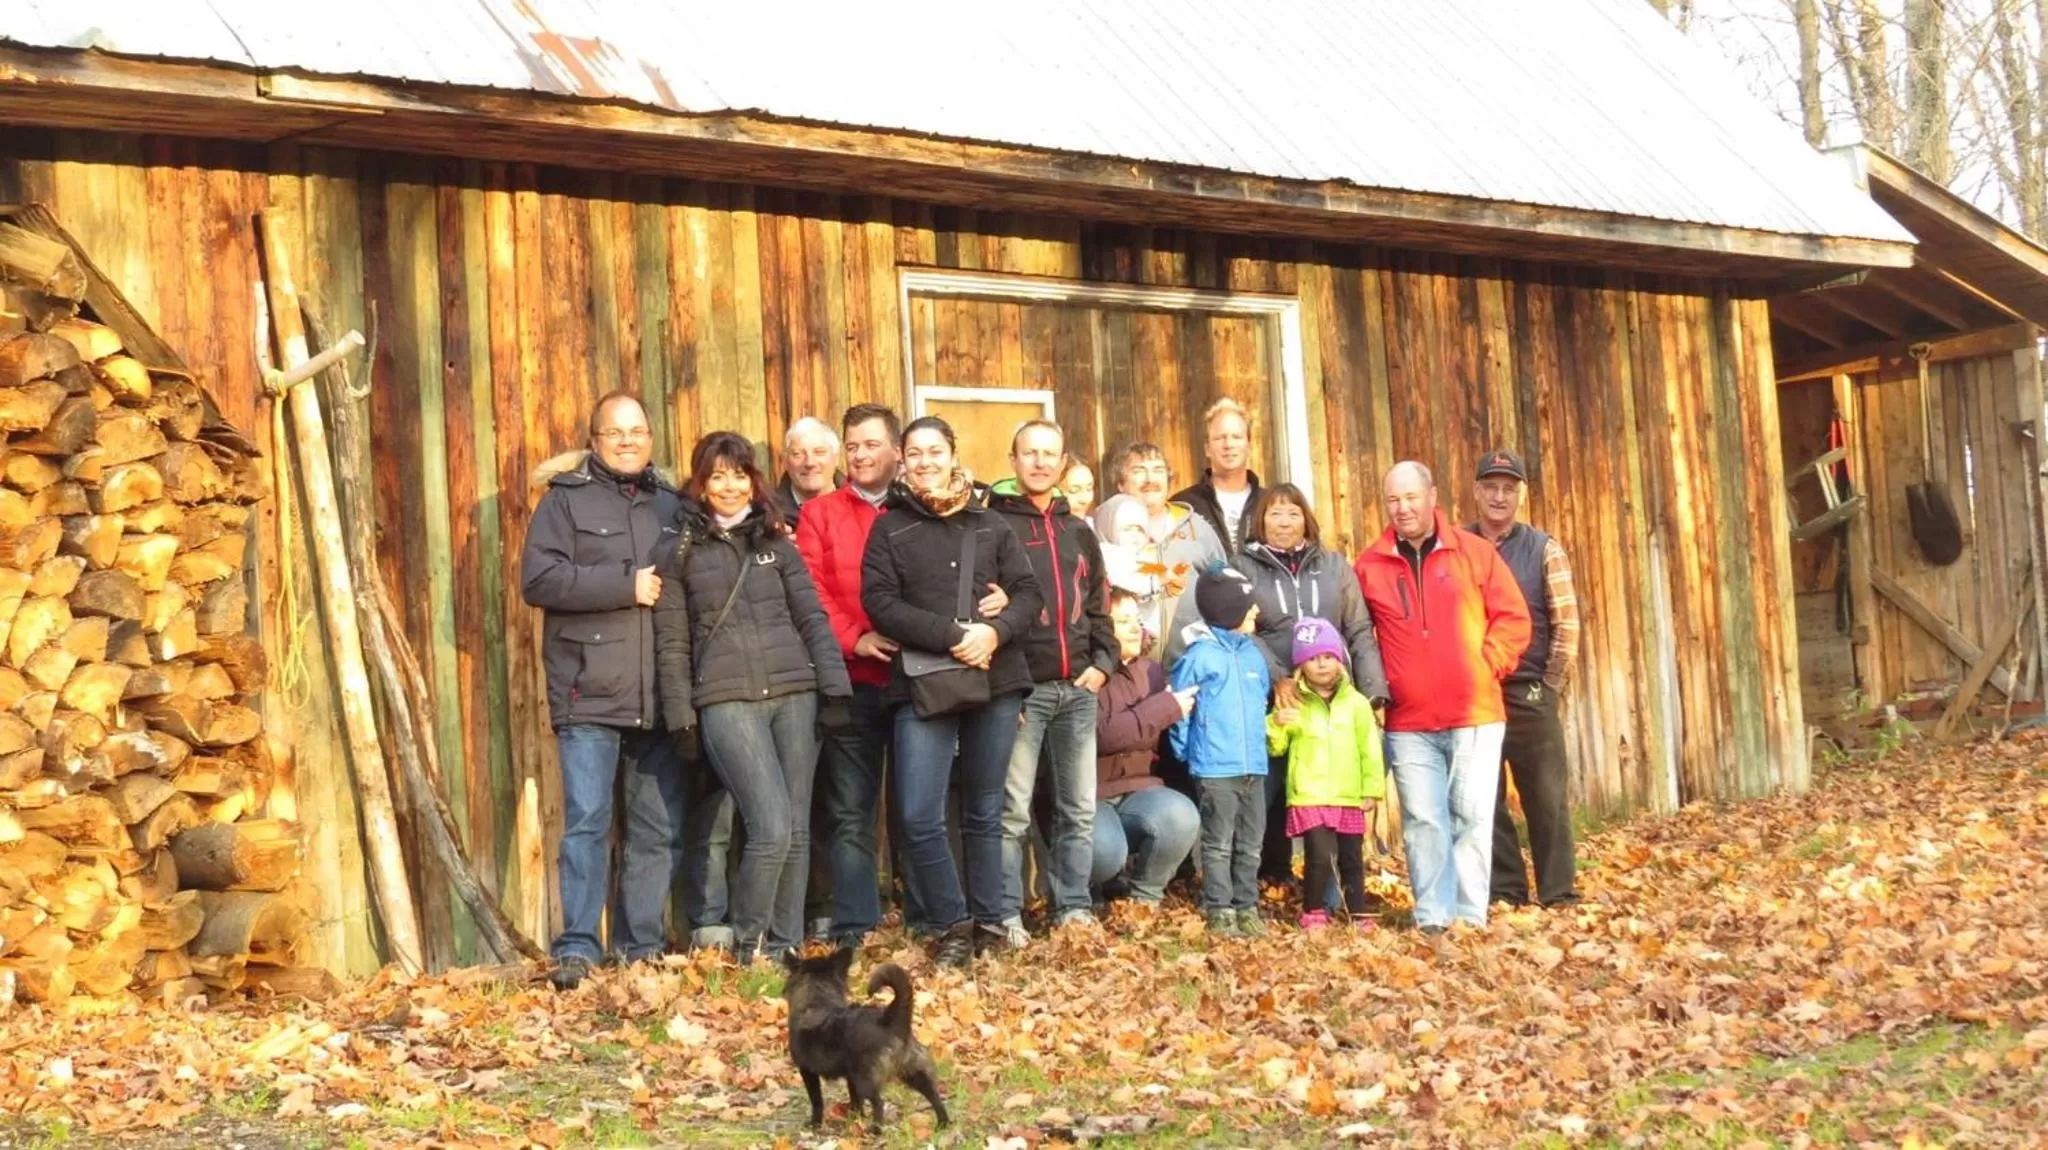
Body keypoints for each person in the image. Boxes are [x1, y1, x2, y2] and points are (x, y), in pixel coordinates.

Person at [653, 431, 852, 963]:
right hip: (726, 699)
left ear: (753, 480)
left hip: (795, 694)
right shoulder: (679, 551)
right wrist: (681, 720)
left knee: (797, 826)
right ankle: (750, 945)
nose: (730, 486)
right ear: (699, 483)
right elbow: (672, 642)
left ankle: (785, 948)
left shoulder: (776, 541)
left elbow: (811, 616)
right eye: (717, 475)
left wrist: (833, 687)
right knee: (769, 826)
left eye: (739, 474)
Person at [861, 416, 1042, 967]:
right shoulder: (889, 527)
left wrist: (995, 631)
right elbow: (880, 602)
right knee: (918, 813)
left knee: (985, 809)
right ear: (901, 460)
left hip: (996, 675)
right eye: (913, 453)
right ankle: (950, 923)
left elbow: (1029, 593)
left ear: (952, 453)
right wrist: (955, 636)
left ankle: (989, 922)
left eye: (934, 451)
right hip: (923, 681)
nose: (924, 462)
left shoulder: (990, 524)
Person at [520, 391, 684, 989]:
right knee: (587, 821)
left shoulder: (672, 502)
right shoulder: (563, 503)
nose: (626, 441)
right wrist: (625, 584)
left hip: (658, 696)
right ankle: (578, 948)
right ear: (594, 440)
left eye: (636, 431)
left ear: (650, 438)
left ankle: (639, 946)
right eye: (613, 432)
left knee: (654, 828)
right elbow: (538, 580)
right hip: (588, 690)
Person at [1355, 462, 1531, 932]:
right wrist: (1378, 689)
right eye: (1394, 499)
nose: (1403, 508)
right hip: (1409, 722)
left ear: (1433, 497)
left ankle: (1469, 918)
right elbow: (1359, 634)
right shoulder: (1370, 565)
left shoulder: (1474, 553)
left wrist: (1486, 665)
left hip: (1474, 713)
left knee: (1472, 818)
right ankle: (1433, 917)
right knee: (1423, 821)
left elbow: (1512, 618)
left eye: (1411, 497)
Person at [989, 421, 1117, 940]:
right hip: (1025, 691)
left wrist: (1104, 663)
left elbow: (1100, 605)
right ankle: (1005, 913)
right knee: (1011, 810)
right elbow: (991, 612)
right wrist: (1008, 683)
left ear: (1062, 463)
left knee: (1078, 808)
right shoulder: (994, 526)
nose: (1040, 462)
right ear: (1013, 460)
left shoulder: (1079, 530)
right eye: (1029, 453)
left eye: (1050, 454)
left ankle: (1072, 908)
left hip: (1079, 689)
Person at [1236, 483, 1388, 885]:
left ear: (1306, 518)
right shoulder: (1245, 566)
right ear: (1260, 520)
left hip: (1329, 695)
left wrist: (1372, 691)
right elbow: (1243, 630)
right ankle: (1268, 875)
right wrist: (1277, 677)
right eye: (1274, 513)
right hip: (1273, 693)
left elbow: (1358, 629)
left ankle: (1333, 884)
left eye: (1292, 513)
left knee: (1329, 784)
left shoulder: (1334, 566)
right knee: (1271, 785)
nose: (1284, 522)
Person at [1467, 449, 1581, 908]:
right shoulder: (1458, 546)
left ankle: (1558, 892)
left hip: (1529, 689)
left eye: (1508, 489)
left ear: (1520, 495)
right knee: (1484, 800)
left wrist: (1548, 684)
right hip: (1475, 693)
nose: (1499, 497)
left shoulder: (1543, 548)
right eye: (1490, 487)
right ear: (1476, 492)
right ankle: (1506, 890)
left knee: (1547, 796)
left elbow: (1566, 624)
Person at [1169, 565, 1271, 938]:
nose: (1257, 613)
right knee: (1218, 842)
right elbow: (1179, 709)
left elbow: (1262, 702)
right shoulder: (1199, 656)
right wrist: (1187, 753)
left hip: (1253, 767)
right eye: (1249, 607)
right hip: (1214, 767)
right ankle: (1219, 907)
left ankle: (1246, 906)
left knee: (1250, 842)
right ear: (1229, 611)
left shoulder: (1253, 655)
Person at [1267, 617, 1386, 931]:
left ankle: (1357, 913)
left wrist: (1371, 788)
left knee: (1351, 859)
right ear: (1301, 665)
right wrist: (1276, 723)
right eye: (1313, 658)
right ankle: (1313, 911)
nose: (1322, 665)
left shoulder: (1357, 704)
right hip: (1309, 794)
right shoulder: (1296, 701)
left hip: (1348, 794)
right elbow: (1276, 747)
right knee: (1318, 856)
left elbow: (1370, 749)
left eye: (1329, 656)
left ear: (1340, 659)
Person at [1091, 588, 1201, 910]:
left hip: (1140, 788)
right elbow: (1101, 736)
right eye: (1123, 621)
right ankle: (1089, 895)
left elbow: (1143, 733)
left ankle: (1143, 899)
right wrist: (1163, 708)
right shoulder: (1086, 673)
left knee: (1180, 814)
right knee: (1105, 852)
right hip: (1090, 794)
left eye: (1137, 620)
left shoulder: (1151, 671)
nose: (1135, 628)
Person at [1090, 442, 1225, 665]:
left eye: (1158, 470)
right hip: (1125, 671)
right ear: (1121, 484)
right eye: (1139, 471)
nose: (1150, 479)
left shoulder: (1195, 528)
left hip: (1193, 663)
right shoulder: (1101, 531)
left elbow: (1222, 588)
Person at [1172, 398, 1261, 555]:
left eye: (1237, 437)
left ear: (1249, 446)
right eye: (1220, 438)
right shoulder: (1183, 506)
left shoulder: (1269, 504)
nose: (1228, 445)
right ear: (1207, 448)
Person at [774, 416, 843, 521]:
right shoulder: (768, 516)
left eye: (819, 452)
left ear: (837, 458)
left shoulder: (862, 507)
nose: (810, 463)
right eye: (798, 454)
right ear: (785, 462)